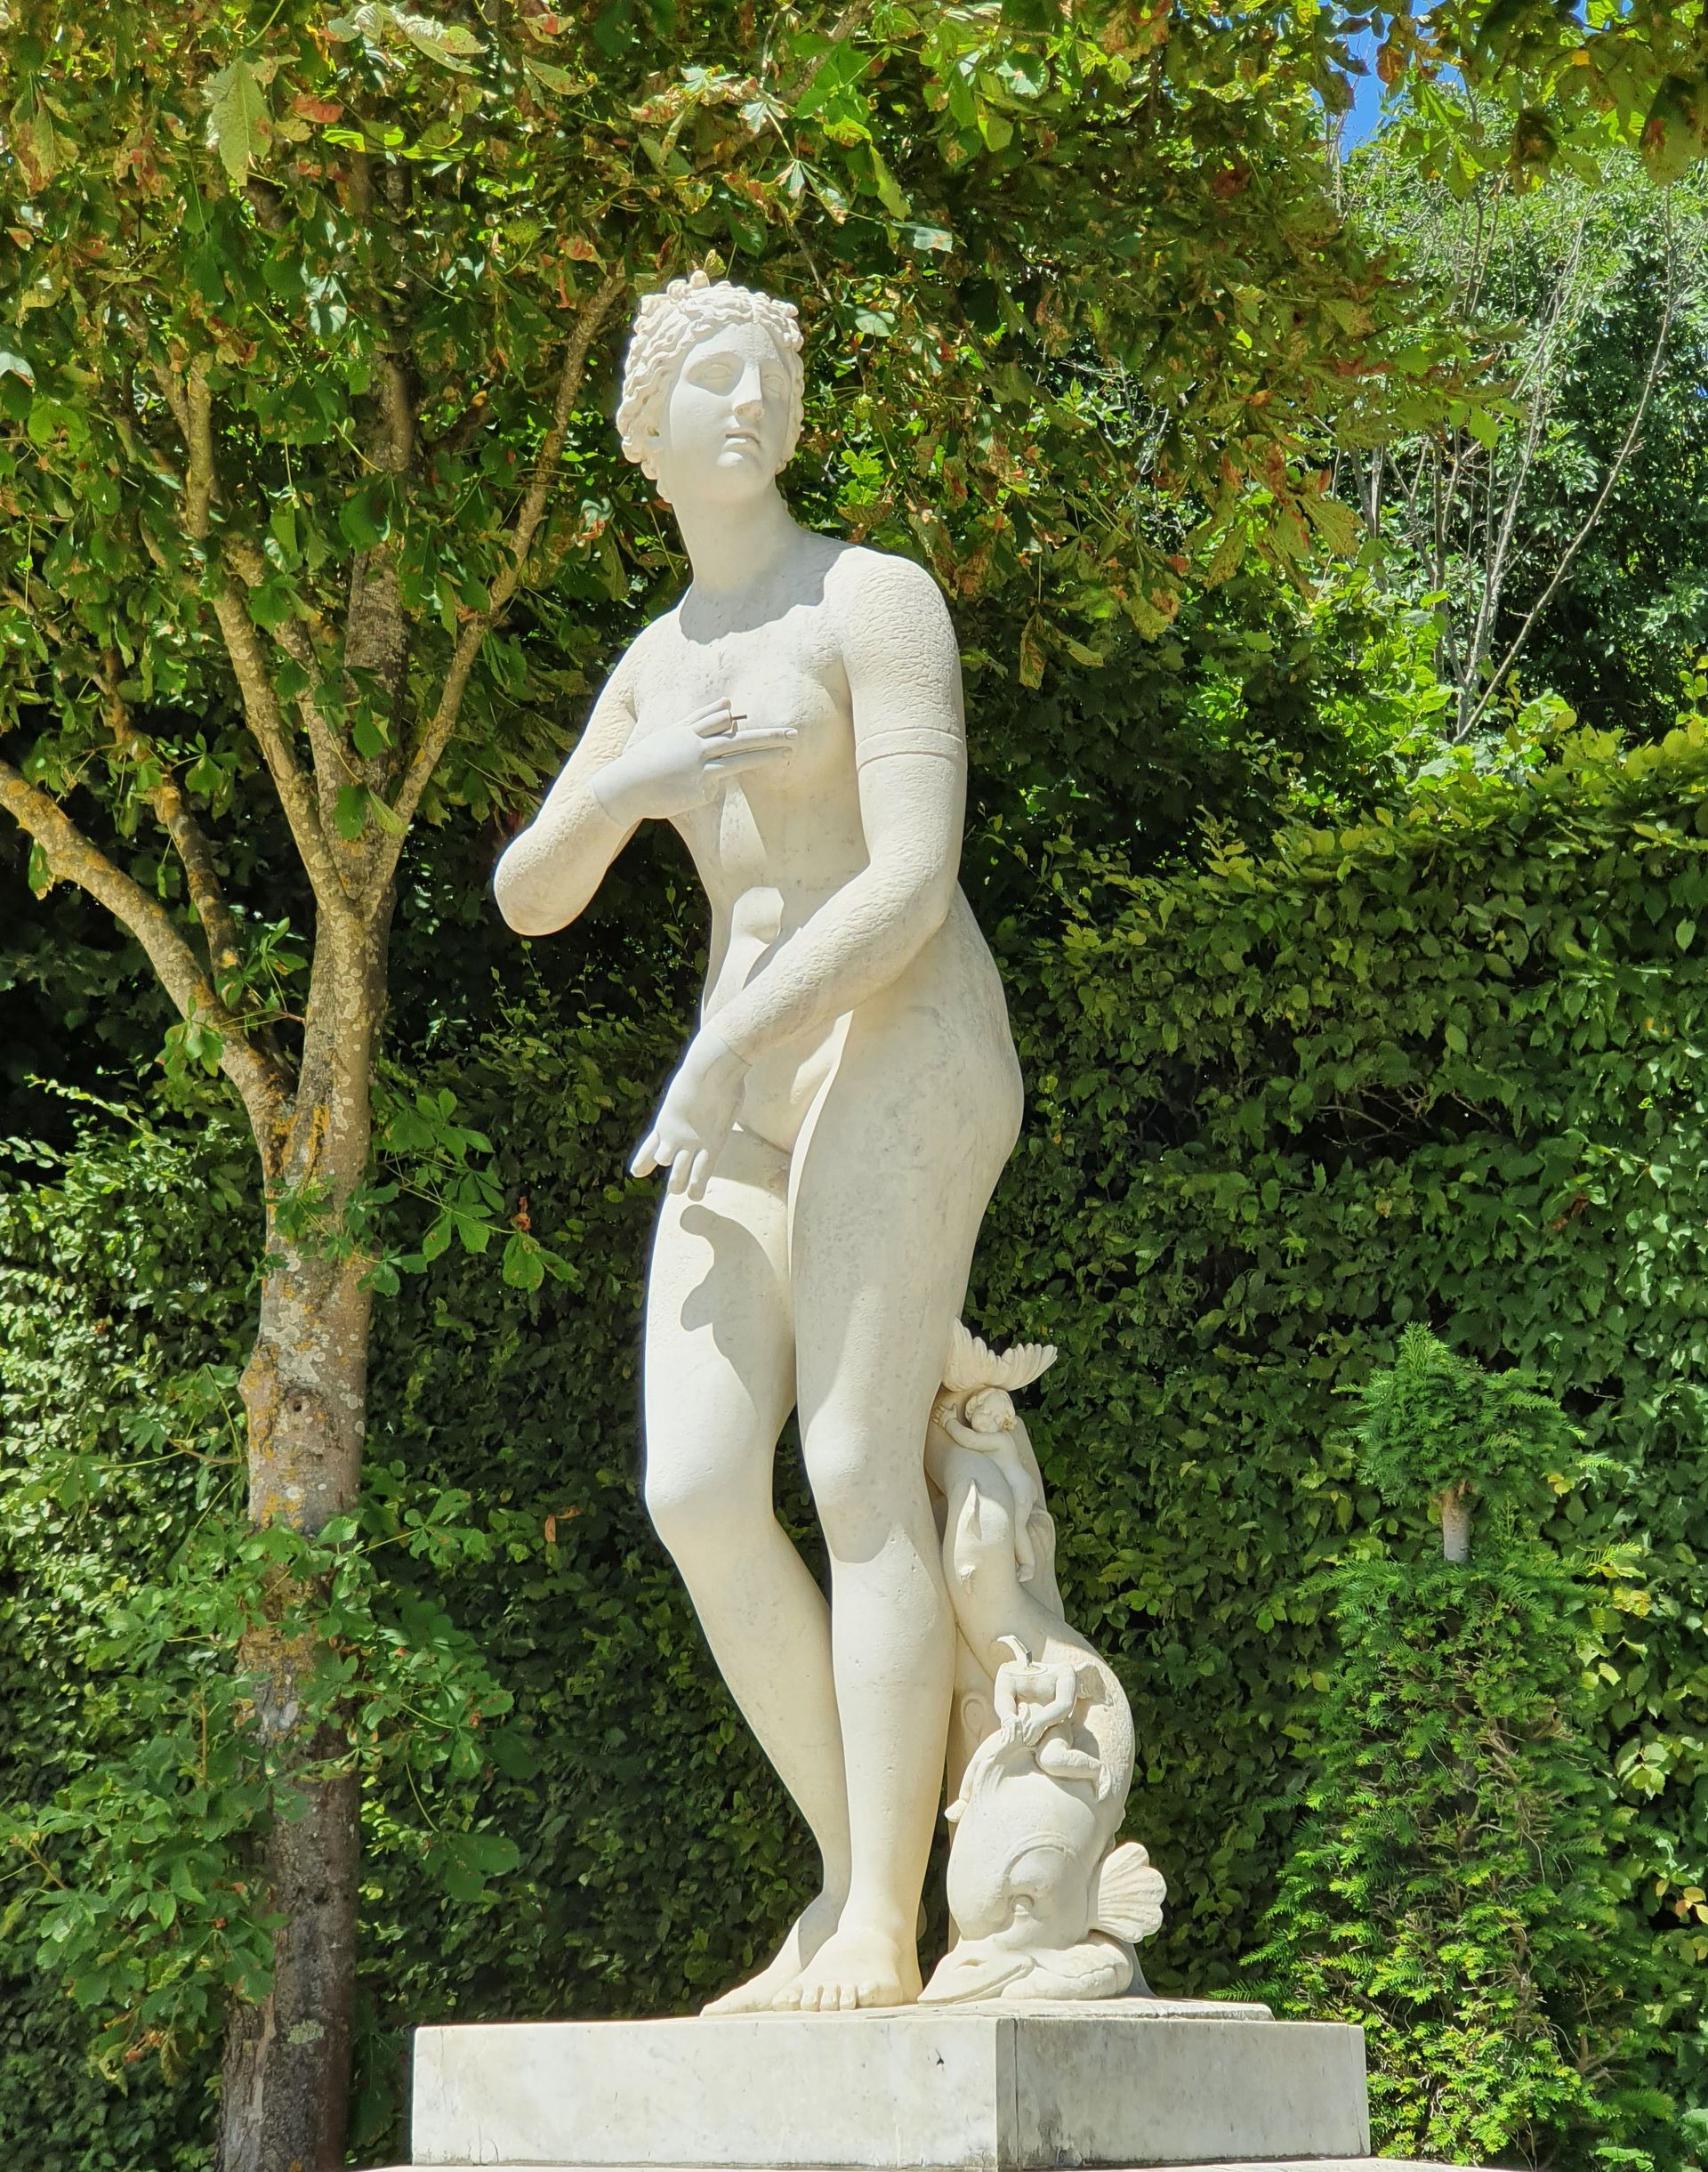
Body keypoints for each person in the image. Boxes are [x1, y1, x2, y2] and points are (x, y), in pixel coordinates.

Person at [494, 271, 1023, 2013]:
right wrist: (628, 783)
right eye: (712, 378)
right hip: (745, 1077)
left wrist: (724, 1041)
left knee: (856, 1463)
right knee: (698, 1491)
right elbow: (528, 893)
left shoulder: (872, 599)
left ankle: (880, 1921)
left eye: (768, 378)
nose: (750, 403)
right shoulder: (657, 663)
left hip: (900, 1033)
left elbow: (913, 875)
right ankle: (851, 1872)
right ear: (645, 432)